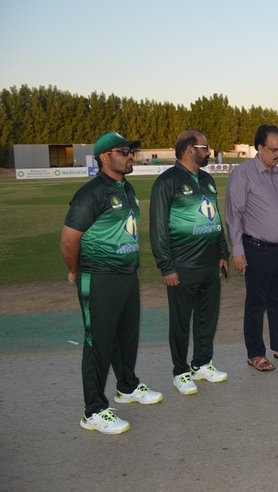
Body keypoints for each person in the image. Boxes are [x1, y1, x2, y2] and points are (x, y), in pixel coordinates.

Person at [60, 131, 162, 435]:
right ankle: (93, 410)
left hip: (127, 276)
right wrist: (75, 270)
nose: (131, 157)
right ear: (105, 157)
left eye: (131, 152)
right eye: (124, 152)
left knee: (126, 337)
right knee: (99, 343)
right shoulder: (91, 193)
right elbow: (69, 240)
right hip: (99, 277)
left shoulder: (126, 188)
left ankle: (126, 387)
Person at [150, 130, 230, 396]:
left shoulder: (207, 179)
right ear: (189, 149)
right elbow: (158, 229)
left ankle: (202, 364)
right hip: (182, 266)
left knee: (207, 318)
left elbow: (214, 219)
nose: (209, 152)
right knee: (181, 323)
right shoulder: (167, 182)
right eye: (205, 148)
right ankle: (180, 372)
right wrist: (167, 266)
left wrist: (222, 253)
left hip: (209, 264)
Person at [225, 125, 278, 372]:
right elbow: (234, 215)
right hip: (256, 249)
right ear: (259, 148)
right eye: (273, 149)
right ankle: (255, 353)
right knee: (256, 303)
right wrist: (238, 249)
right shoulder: (243, 174)